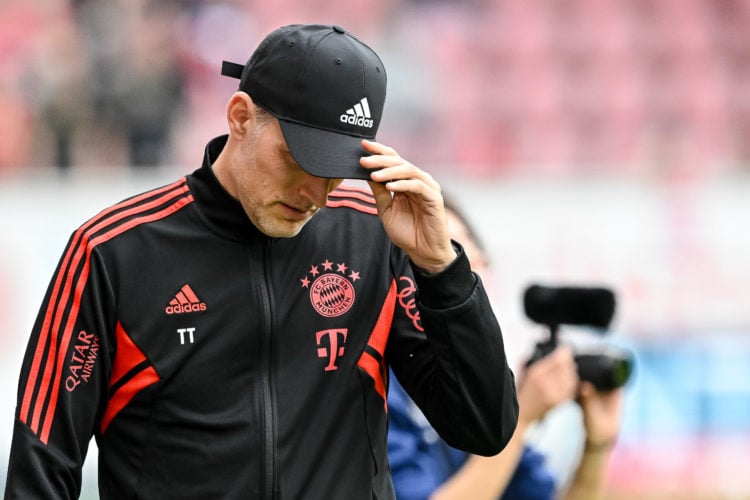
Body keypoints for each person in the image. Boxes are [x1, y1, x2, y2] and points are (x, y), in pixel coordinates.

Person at [3, 24, 518, 499]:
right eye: (299, 160)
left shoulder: (376, 238)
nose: (315, 193)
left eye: (336, 169)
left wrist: (441, 268)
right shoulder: (111, 251)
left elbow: (484, 429)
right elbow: (41, 470)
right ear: (240, 117)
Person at [387, 199, 624, 500]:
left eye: (457, 258)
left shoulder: (483, 388)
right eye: (425, 261)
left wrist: (597, 447)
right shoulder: (380, 384)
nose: (447, 278)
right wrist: (520, 420)